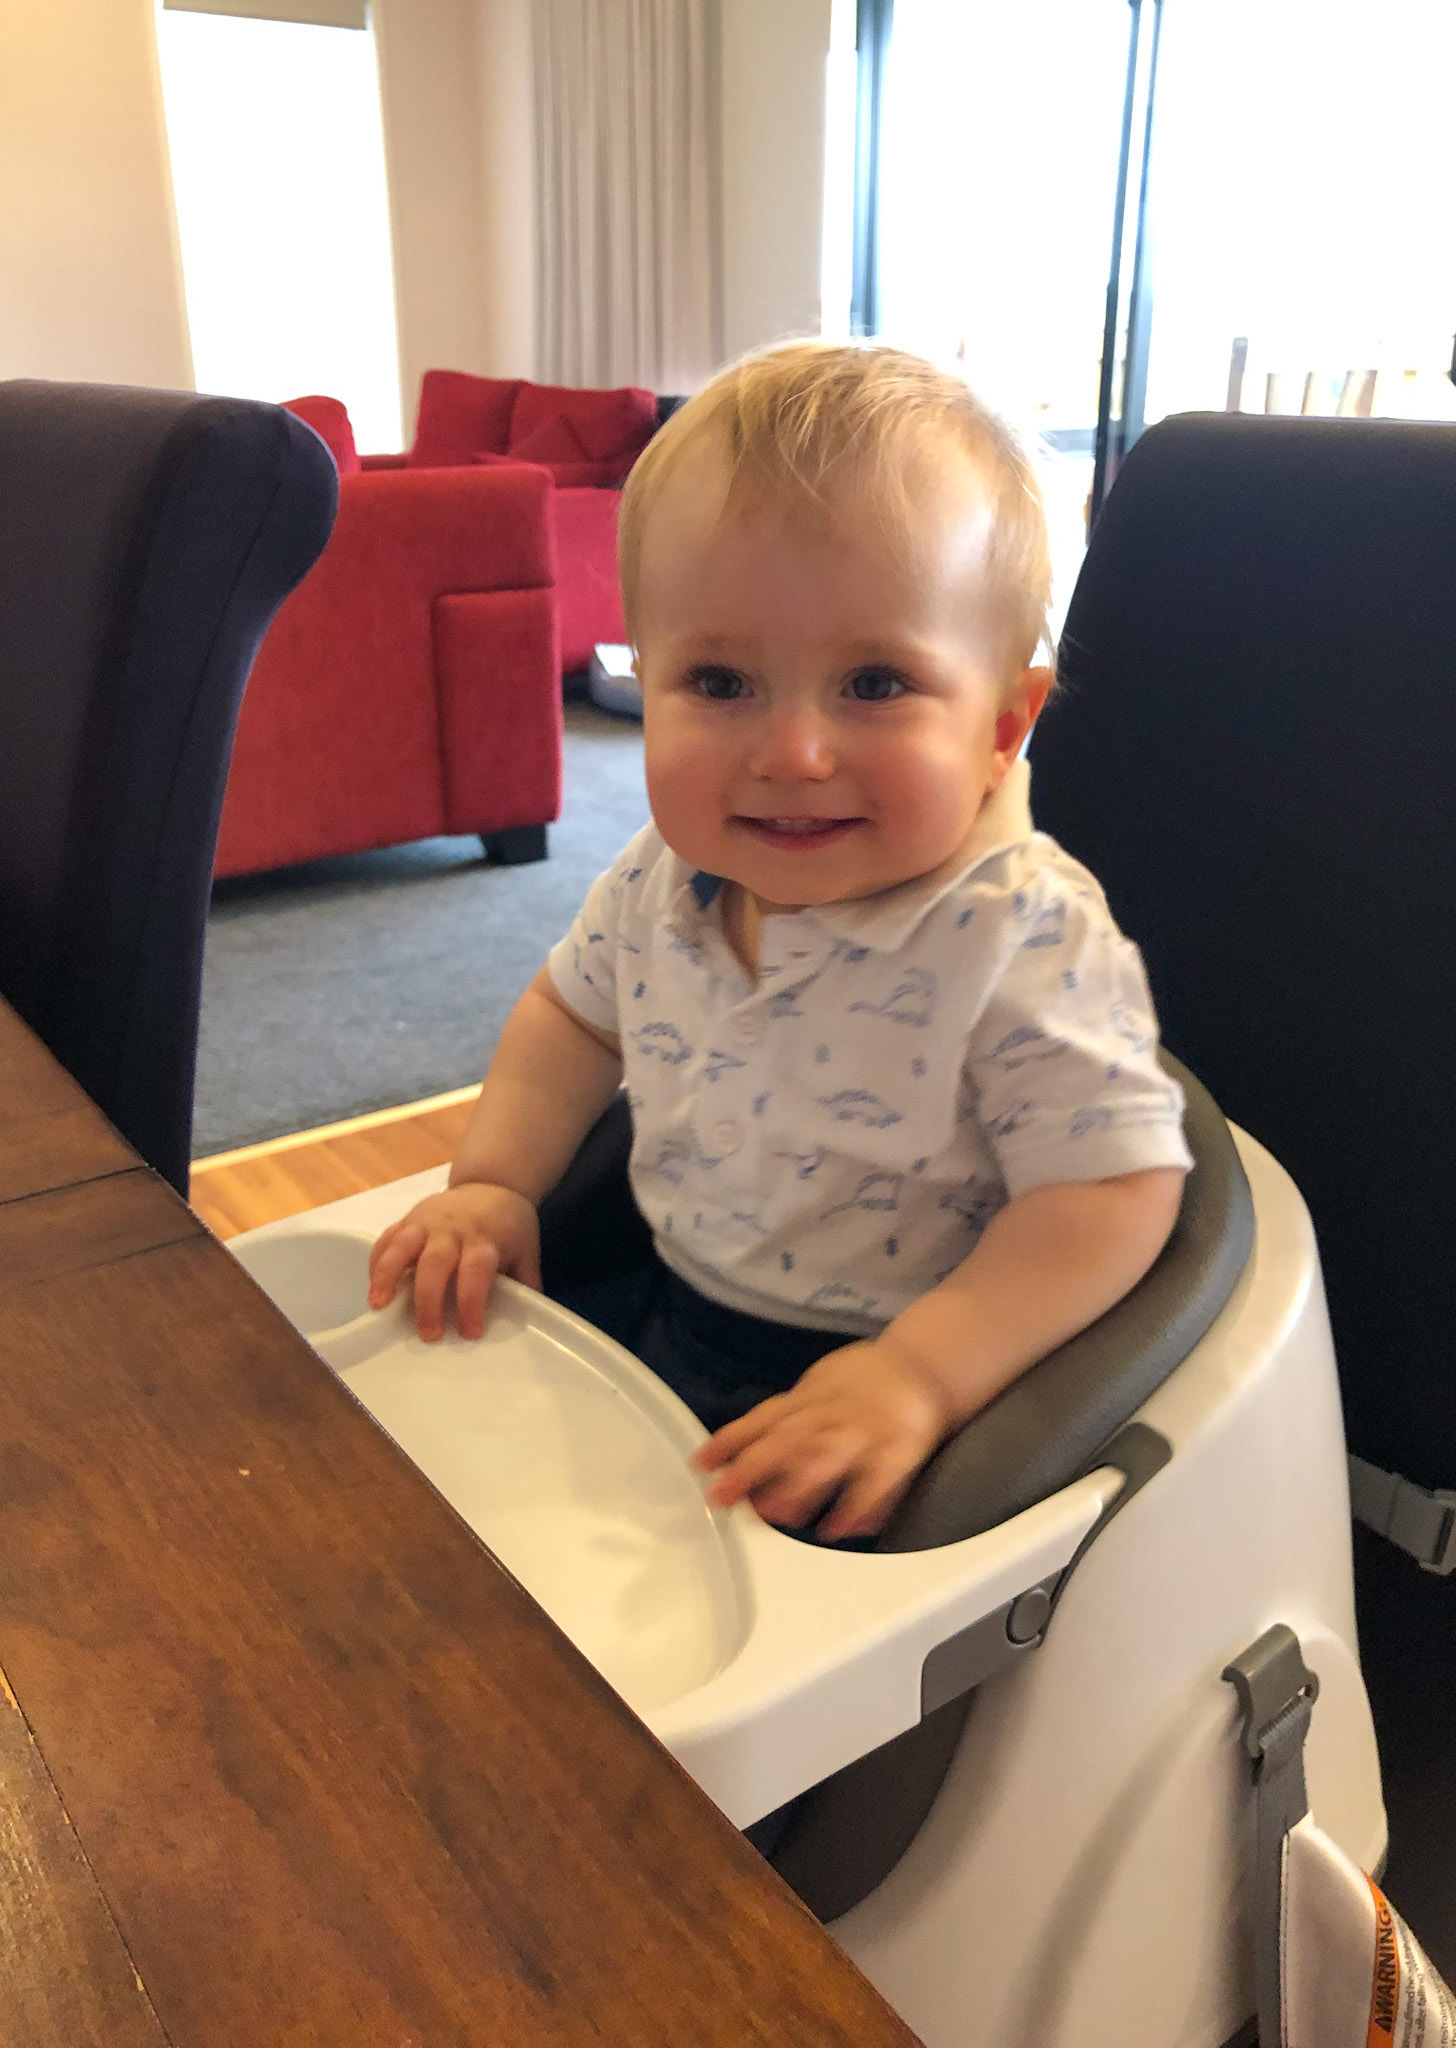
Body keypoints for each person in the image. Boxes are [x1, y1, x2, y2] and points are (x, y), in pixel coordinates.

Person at [367, 341, 1192, 1541]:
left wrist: (921, 1374)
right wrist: (495, 1183)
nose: (793, 754)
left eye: (874, 684)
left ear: (1003, 725)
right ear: (639, 682)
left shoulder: (1022, 933)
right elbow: (570, 1020)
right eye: (720, 681)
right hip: (675, 1302)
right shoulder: (662, 877)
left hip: (896, 1392)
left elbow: (1115, 1189)